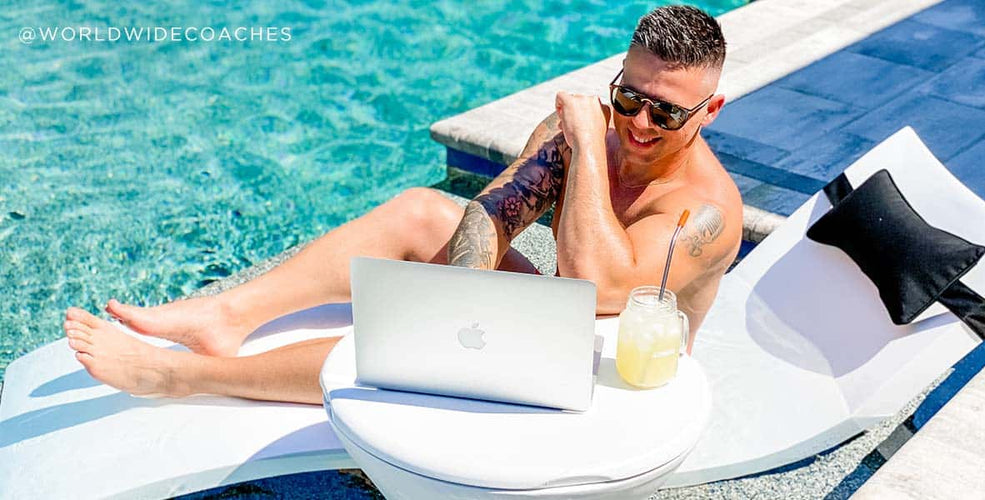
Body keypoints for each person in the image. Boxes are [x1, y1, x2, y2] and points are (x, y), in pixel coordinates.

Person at [63, 5, 742, 404]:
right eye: (628, 97)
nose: (639, 124)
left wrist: (591, 148)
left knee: (418, 335)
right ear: (617, 78)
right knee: (425, 212)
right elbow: (491, 213)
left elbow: (602, 292)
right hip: (551, 331)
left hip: (612, 383)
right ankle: (225, 314)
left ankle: (187, 375)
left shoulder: (705, 211)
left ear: (709, 110)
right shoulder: (589, 130)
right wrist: (458, 290)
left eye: (666, 112)